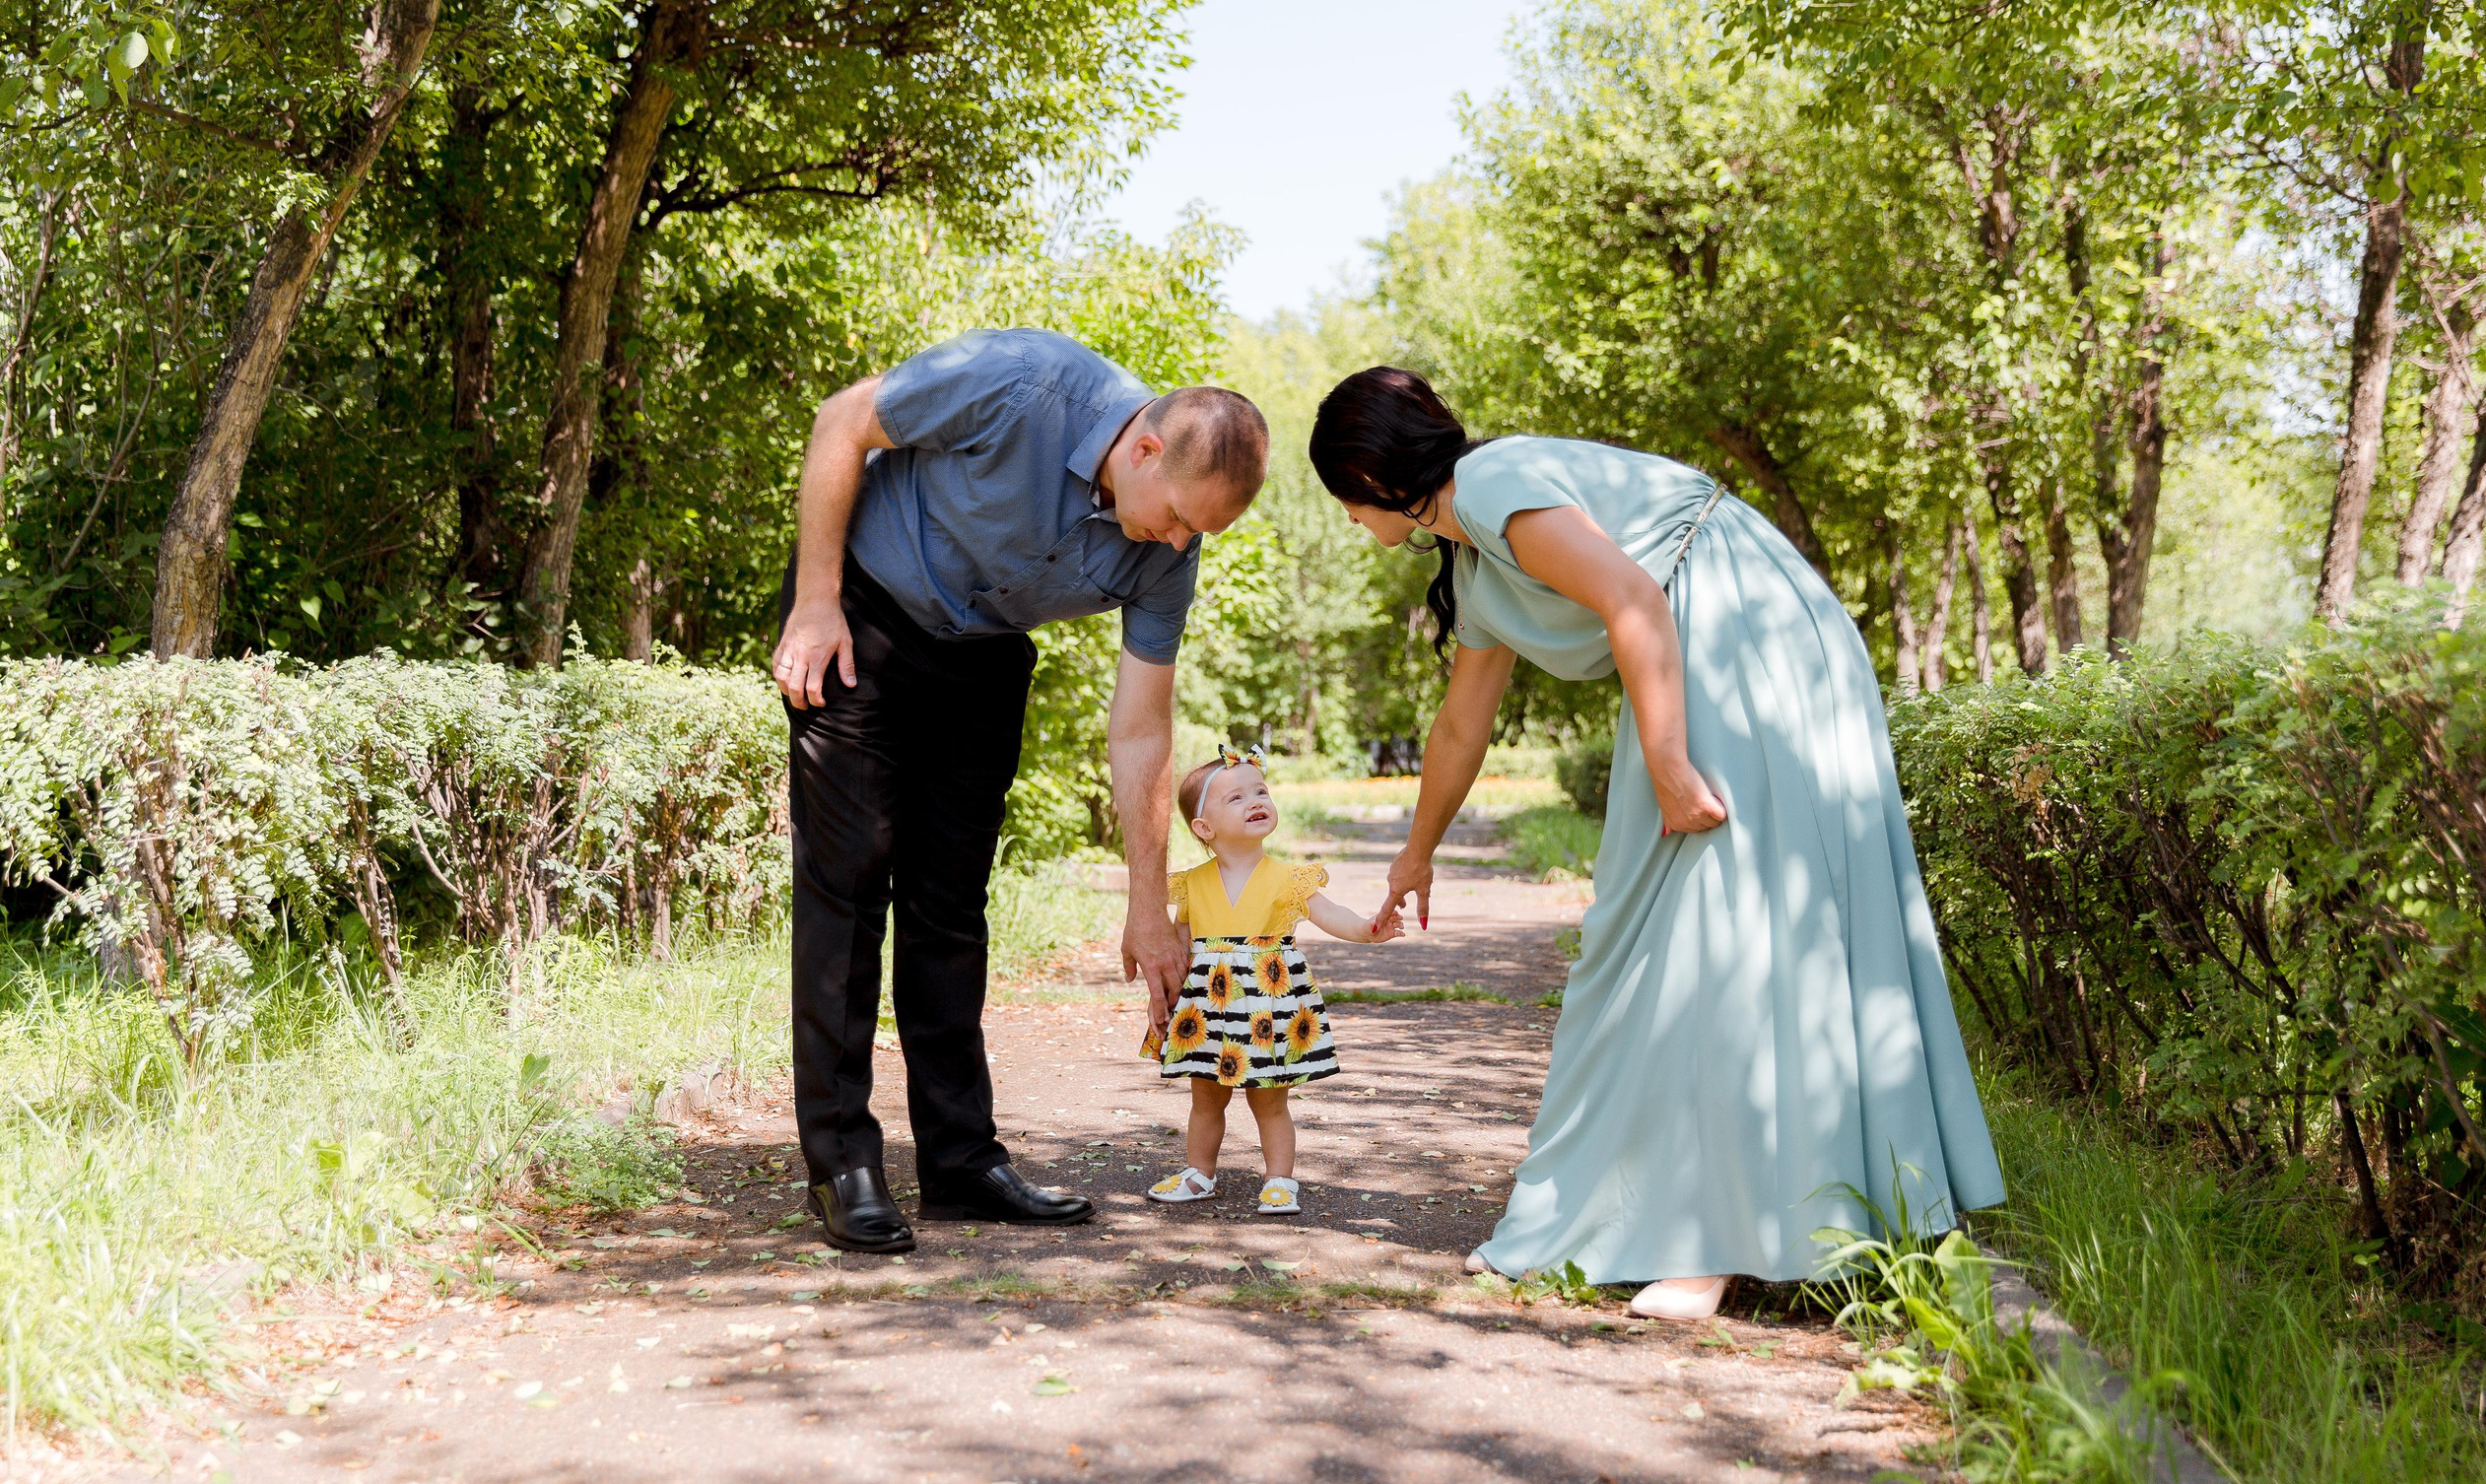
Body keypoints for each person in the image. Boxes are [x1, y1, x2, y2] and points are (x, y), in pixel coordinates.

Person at [1309, 368, 2003, 1320]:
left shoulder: (1496, 482)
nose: (1349, 519)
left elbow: (1634, 598)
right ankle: (1588, 1218)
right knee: (1635, 945)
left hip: (1738, 635)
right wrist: (1416, 851)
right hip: (1696, 650)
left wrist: (1670, 762)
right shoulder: (1472, 559)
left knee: (1716, 939)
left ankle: (1710, 1240)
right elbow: (1461, 724)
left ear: (1369, 474)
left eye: (1342, 498)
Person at [771, 328, 1268, 1253]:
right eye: (1175, 518)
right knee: (848, 888)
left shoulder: (1172, 548)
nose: (1177, 543)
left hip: (984, 655)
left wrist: (1148, 904)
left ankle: (960, 1163)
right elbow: (842, 421)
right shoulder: (1023, 385)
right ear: (1144, 447)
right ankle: (842, 1163)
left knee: (950, 906)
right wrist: (815, 596)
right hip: (864, 613)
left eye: (1199, 533)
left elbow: (1142, 728)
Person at [1138, 748, 1405, 1217]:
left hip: (1268, 1009)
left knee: (1271, 1100)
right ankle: (1200, 1173)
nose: (1254, 800)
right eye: (1236, 797)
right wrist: (1162, 996)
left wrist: (1367, 930)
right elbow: (1178, 948)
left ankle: (1280, 1179)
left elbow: (1329, 914)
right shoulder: (1192, 884)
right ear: (1205, 828)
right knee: (1205, 1098)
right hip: (1208, 1011)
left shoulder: (1288, 878)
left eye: (1260, 791)